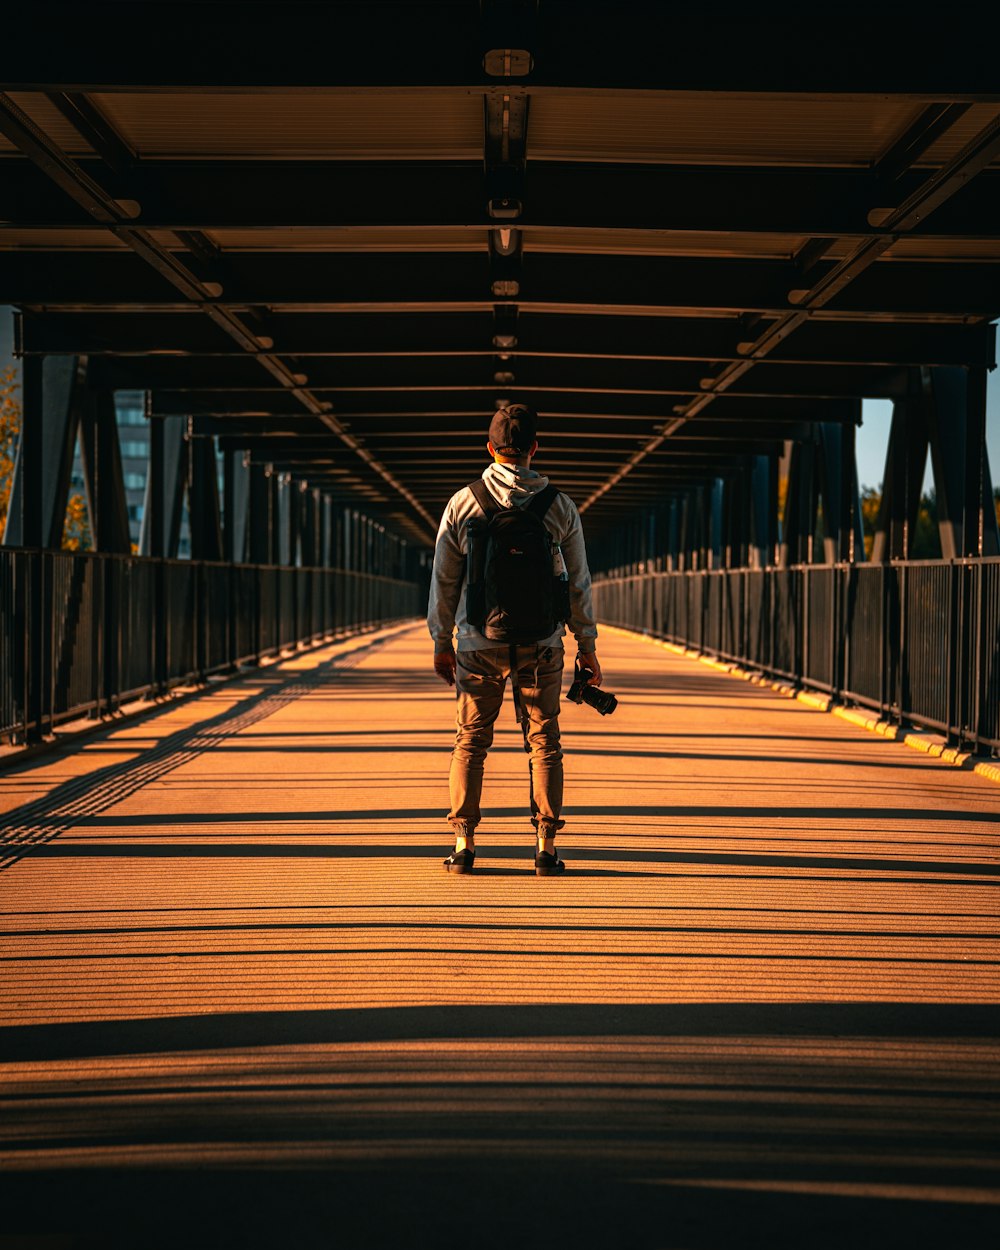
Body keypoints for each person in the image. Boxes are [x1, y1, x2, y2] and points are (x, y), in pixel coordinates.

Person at [427, 403, 602, 875]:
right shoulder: (560, 506)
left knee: (470, 740)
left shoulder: (464, 502)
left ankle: (463, 845)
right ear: (534, 449)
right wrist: (587, 648)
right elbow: (580, 583)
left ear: (491, 449)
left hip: (477, 642)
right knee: (544, 740)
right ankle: (545, 847)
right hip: (542, 642)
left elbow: (445, 579)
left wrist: (441, 641)